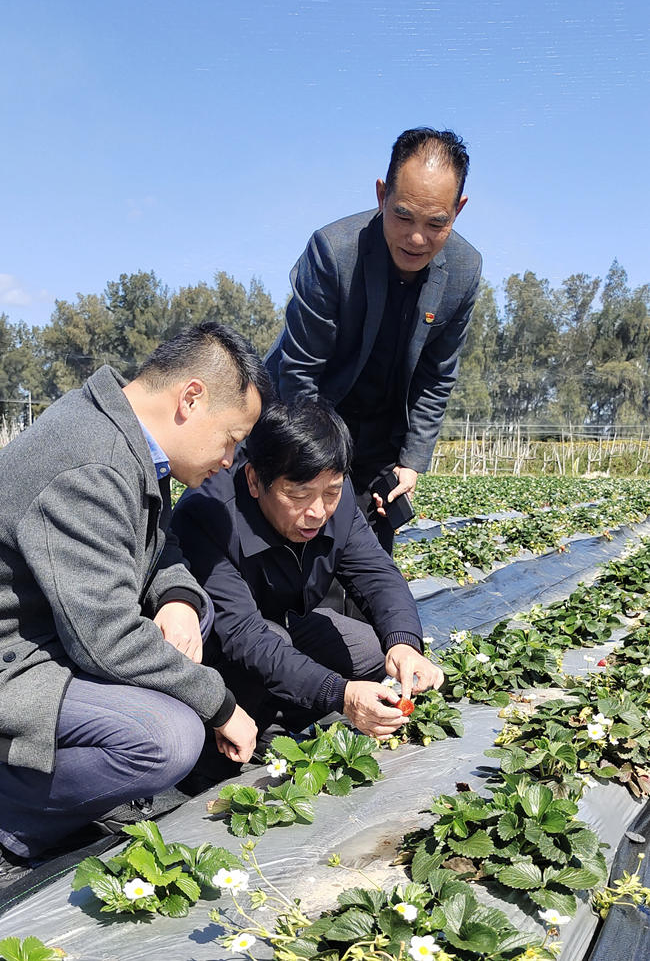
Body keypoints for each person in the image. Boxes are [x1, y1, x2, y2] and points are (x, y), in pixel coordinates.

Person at [0, 322, 268, 883]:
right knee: (166, 738)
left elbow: (153, 542)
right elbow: (105, 638)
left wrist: (175, 598)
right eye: (231, 438)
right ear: (191, 399)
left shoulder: (123, 440)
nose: (229, 458)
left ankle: (56, 791)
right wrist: (220, 704)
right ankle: (14, 817)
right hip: (14, 657)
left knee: (193, 623)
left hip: (53, 634)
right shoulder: (92, 462)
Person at [171, 399, 443, 765]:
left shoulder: (336, 496)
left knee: (373, 648)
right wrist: (340, 694)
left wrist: (405, 644)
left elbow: (377, 575)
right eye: (298, 495)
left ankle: (284, 714)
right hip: (218, 652)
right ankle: (229, 739)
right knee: (274, 644)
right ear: (254, 480)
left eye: (331, 492)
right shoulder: (208, 514)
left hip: (284, 623)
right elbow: (244, 636)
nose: (317, 511)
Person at [265, 127, 482, 553]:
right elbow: (301, 373)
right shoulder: (334, 251)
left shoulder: (464, 269)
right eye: (402, 216)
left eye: (436, 223)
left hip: (381, 436)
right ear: (382, 195)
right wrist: (323, 472)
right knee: (301, 554)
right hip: (309, 418)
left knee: (369, 564)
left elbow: (436, 378)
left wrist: (411, 462)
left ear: (458, 210)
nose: (417, 238)